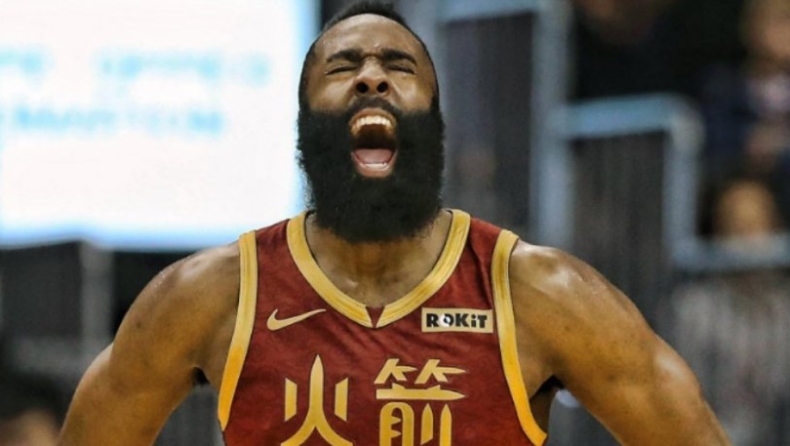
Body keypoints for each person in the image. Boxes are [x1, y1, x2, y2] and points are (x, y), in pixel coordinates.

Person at [58, 2, 730, 445]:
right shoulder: (211, 294)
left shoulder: (538, 291)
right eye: (344, 67)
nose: (372, 78)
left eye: (398, 66)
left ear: (434, 123)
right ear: (304, 123)